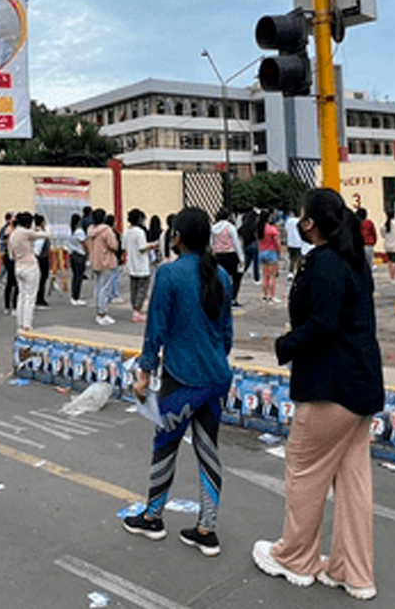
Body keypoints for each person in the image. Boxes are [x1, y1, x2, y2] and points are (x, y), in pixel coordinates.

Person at [253, 188, 384, 600]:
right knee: (353, 483)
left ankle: (295, 558)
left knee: (304, 475)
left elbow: (323, 325)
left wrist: (285, 344)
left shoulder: (324, 263)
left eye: (301, 215)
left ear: (309, 223)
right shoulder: (353, 261)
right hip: (361, 386)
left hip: (330, 387)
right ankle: (353, 572)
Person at [123, 207, 233, 558]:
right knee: (208, 450)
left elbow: (155, 331)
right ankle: (207, 528)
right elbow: (227, 335)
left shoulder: (169, 275)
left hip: (182, 379)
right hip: (216, 379)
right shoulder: (222, 276)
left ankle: (154, 517)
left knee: (165, 446)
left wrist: (143, 373)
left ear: (178, 237)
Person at [8, 212, 49, 332]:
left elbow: (11, 256)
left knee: (21, 295)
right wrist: (39, 229)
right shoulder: (25, 232)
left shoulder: (13, 234)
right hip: (30, 266)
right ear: (28, 223)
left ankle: (20, 324)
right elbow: (47, 235)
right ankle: (27, 325)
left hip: (18, 266)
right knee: (30, 297)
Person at [86, 209, 120, 326]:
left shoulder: (90, 231)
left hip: (95, 260)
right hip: (106, 261)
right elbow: (114, 245)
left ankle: (99, 311)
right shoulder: (106, 230)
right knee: (105, 288)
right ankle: (102, 313)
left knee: (98, 287)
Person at [123, 209, 155, 322]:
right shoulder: (139, 232)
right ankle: (137, 310)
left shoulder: (127, 232)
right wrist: (152, 245)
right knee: (142, 289)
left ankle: (135, 310)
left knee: (134, 289)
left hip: (131, 264)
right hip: (141, 265)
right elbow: (142, 247)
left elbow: (123, 247)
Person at [211, 209, 244, 308]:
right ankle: (233, 298)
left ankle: (220, 297)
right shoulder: (230, 227)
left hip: (218, 255)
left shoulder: (213, 228)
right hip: (230, 254)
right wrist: (241, 258)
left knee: (220, 277)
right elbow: (236, 243)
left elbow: (211, 243)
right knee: (235, 278)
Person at [258, 212, 282, 303]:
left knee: (265, 275)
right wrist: (279, 252)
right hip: (271, 253)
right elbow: (277, 243)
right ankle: (272, 295)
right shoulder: (272, 229)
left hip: (262, 252)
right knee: (272, 275)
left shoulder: (260, 229)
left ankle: (264, 294)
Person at [66, 213, 88, 306]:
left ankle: (74, 296)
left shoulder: (71, 231)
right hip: (79, 255)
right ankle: (76, 297)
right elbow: (84, 243)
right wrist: (88, 252)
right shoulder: (79, 231)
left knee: (75, 276)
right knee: (78, 277)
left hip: (73, 254)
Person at [380, 210, 395, 284]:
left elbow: (383, 235)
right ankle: (393, 277)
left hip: (388, 245)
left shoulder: (384, 225)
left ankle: (390, 276)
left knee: (389, 261)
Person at [33, 214, 52, 309]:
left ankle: (40, 298)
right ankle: (39, 299)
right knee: (41, 279)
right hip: (40, 257)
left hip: (43, 257)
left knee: (43, 279)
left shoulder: (40, 231)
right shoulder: (38, 233)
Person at [238, 211, 261, 286]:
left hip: (246, 245)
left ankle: (241, 273)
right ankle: (256, 278)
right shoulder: (254, 225)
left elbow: (239, 232)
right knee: (256, 262)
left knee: (247, 262)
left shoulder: (244, 226)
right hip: (254, 244)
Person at [284, 211, 303, 279]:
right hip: (299, 242)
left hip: (290, 242)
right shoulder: (300, 221)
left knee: (292, 258)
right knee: (299, 259)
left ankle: (291, 272)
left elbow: (286, 230)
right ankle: (298, 272)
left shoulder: (289, 221)